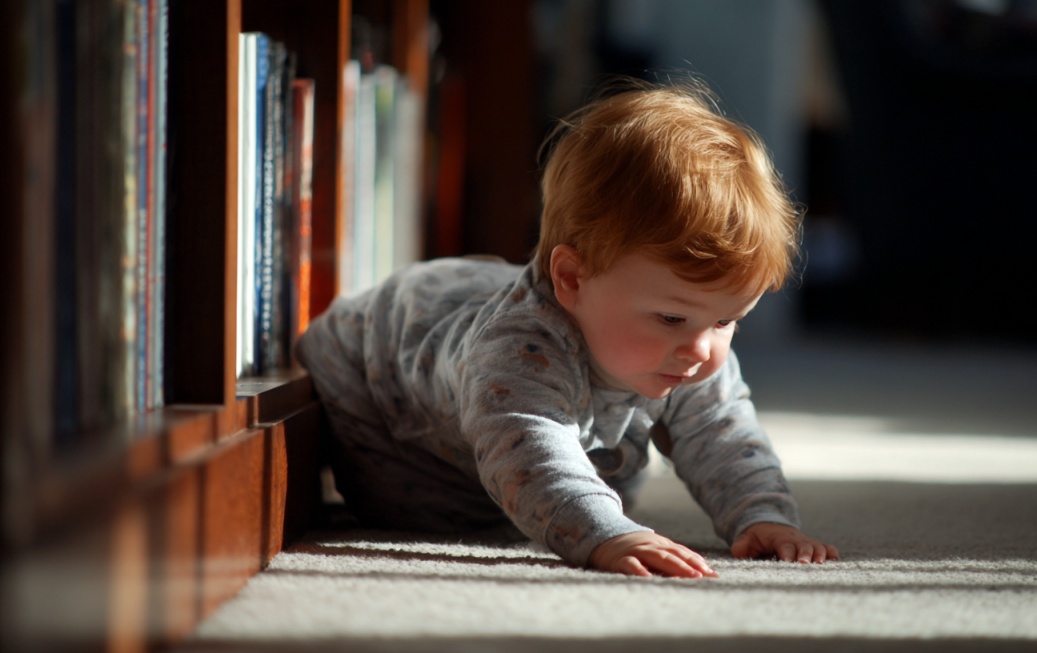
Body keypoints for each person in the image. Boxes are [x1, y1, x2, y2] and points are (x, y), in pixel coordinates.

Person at [296, 79, 840, 578]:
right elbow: (528, 446)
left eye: (727, 321)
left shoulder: (685, 341)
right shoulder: (516, 349)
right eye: (672, 318)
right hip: (375, 383)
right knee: (432, 508)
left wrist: (763, 515)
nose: (701, 347)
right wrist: (604, 533)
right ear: (571, 279)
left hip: (490, 318)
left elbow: (723, 433)